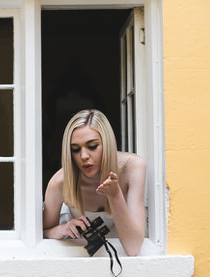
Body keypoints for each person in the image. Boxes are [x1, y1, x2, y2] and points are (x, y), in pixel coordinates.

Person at [42, 109, 146, 256]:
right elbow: (41, 235)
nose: (83, 156)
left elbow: (133, 247)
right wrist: (61, 229)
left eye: (92, 146)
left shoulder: (133, 167)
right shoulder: (59, 182)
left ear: (107, 144)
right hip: (77, 255)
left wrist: (115, 194)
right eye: (75, 149)